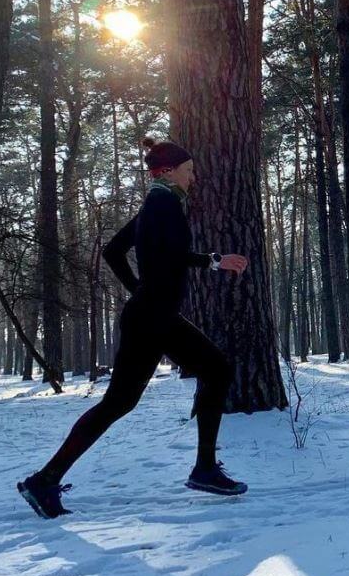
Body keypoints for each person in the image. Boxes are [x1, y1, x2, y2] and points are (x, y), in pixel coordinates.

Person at [18, 137, 250, 519]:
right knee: (212, 371)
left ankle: (45, 480)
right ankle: (204, 469)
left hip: (151, 314)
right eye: (189, 171)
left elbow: (113, 251)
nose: (194, 177)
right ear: (170, 171)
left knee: (126, 400)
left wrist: (139, 291)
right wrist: (213, 261)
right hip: (153, 317)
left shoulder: (156, 202)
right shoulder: (163, 203)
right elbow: (170, 256)